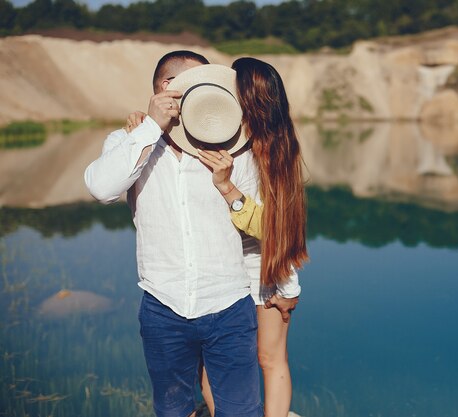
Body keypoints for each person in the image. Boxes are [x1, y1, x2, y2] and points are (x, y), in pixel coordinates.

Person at [84, 50, 263, 417]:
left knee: (242, 411)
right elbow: (101, 188)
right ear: (168, 88)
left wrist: (228, 187)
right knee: (172, 410)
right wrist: (151, 126)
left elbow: (263, 225)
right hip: (163, 307)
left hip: (228, 303)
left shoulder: (236, 148)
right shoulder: (129, 140)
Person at [197, 57, 308, 417]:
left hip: (265, 269)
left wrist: (229, 189)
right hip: (219, 267)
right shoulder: (214, 136)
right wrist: (142, 123)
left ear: (250, 99)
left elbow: (275, 227)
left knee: (269, 357)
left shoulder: (278, 150)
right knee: (211, 362)